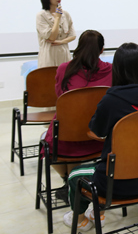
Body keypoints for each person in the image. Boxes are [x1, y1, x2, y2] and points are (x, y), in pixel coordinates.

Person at [63, 43, 138, 231]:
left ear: (117, 70)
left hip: (115, 185)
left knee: (75, 175)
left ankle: (79, 219)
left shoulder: (111, 100)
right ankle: (97, 212)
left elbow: (97, 131)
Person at [42, 30, 113, 186]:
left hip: (68, 136)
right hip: (99, 135)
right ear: (102, 50)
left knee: (46, 140)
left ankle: (68, 180)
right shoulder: (111, 70)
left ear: (79, 47)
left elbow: (62, 99)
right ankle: (73, 181)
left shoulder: (64, 69)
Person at [36, 0, 76, 67]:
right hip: (49, 56)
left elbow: (73, 35)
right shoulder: (41, 16)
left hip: (64, 55)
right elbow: (52, 37)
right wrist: (57, 18)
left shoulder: (66, 14)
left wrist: (61, 42)